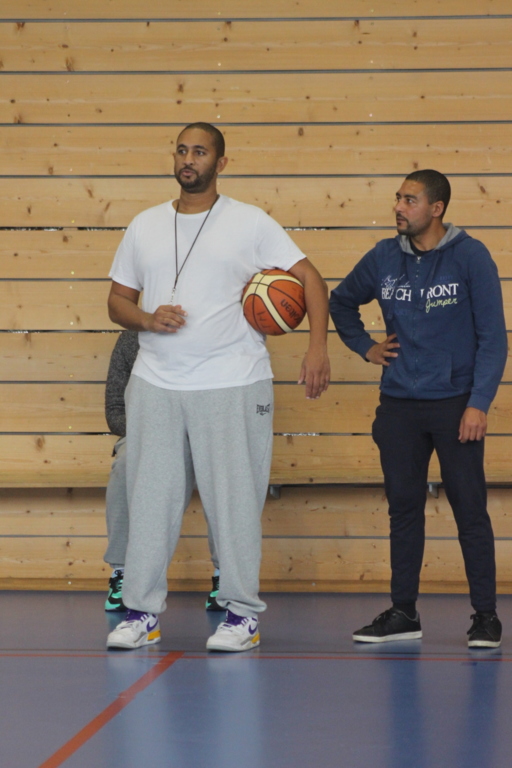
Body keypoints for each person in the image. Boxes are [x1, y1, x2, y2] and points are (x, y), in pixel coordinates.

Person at [106, 122, 330, 652]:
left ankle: (242, 615)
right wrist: (147, 318)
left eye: (200, 152)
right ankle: (141, 613)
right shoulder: (144, 225)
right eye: (182, 150)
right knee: (150, 504)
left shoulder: (250, 222)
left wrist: (317, 348)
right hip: (155, 383)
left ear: (221, 163)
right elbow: (116, 302)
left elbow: (312, 280)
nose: (189, 159)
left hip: (233, 383)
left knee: (233, 505)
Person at [330, 169, 507, 648]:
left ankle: (486, 617)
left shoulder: (471, 256)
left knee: (470, 510)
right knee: (404, 511)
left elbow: (494, 339)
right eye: (398, 198)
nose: (398, 207)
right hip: (399, 407)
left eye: (410, 200)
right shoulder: (384, 256)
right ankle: (404, 612)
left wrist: (478, 404)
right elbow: (341, 303)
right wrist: (366, 347)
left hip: (455, 406)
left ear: (437, 208)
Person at [103, 329, 223, 613]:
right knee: (125, 464)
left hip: (207, 433)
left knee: (225, 470)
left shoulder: (215, 331)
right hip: (148, 433)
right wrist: (157, 429)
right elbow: (115, 409)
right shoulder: (132, 338)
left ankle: (226, 575)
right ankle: (123, 572)